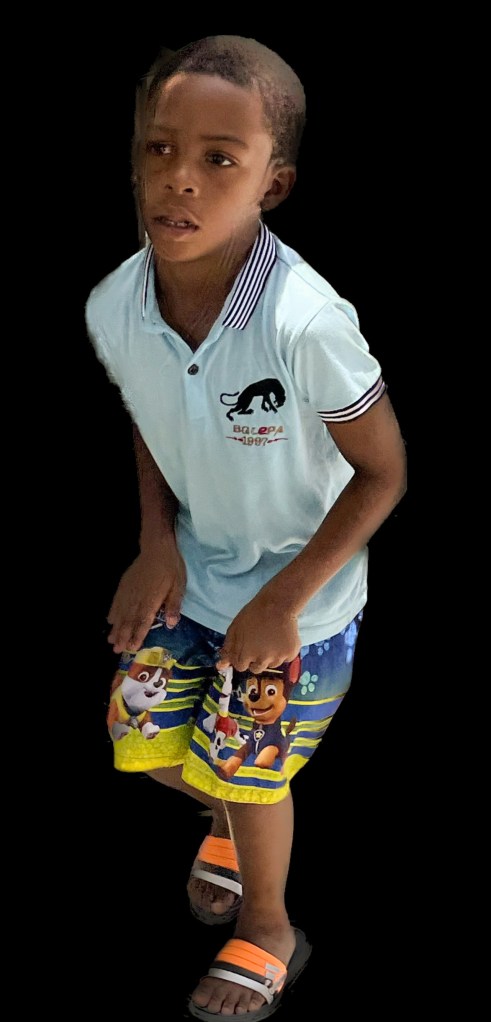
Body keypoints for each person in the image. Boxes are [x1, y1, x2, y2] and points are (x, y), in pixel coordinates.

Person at [85, 35, 407, 1020]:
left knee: (248, 767)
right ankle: (231, 819)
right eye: (159, 148)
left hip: (296, 601)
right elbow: (148, 409)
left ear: (273, 183)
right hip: (196, 574)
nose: (178, 177)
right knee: (141, 738)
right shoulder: (115, 303)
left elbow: (383, 471)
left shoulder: (302, 323)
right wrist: (156, 542)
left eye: (218, 158)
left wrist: (282, 601)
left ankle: (268, 924)